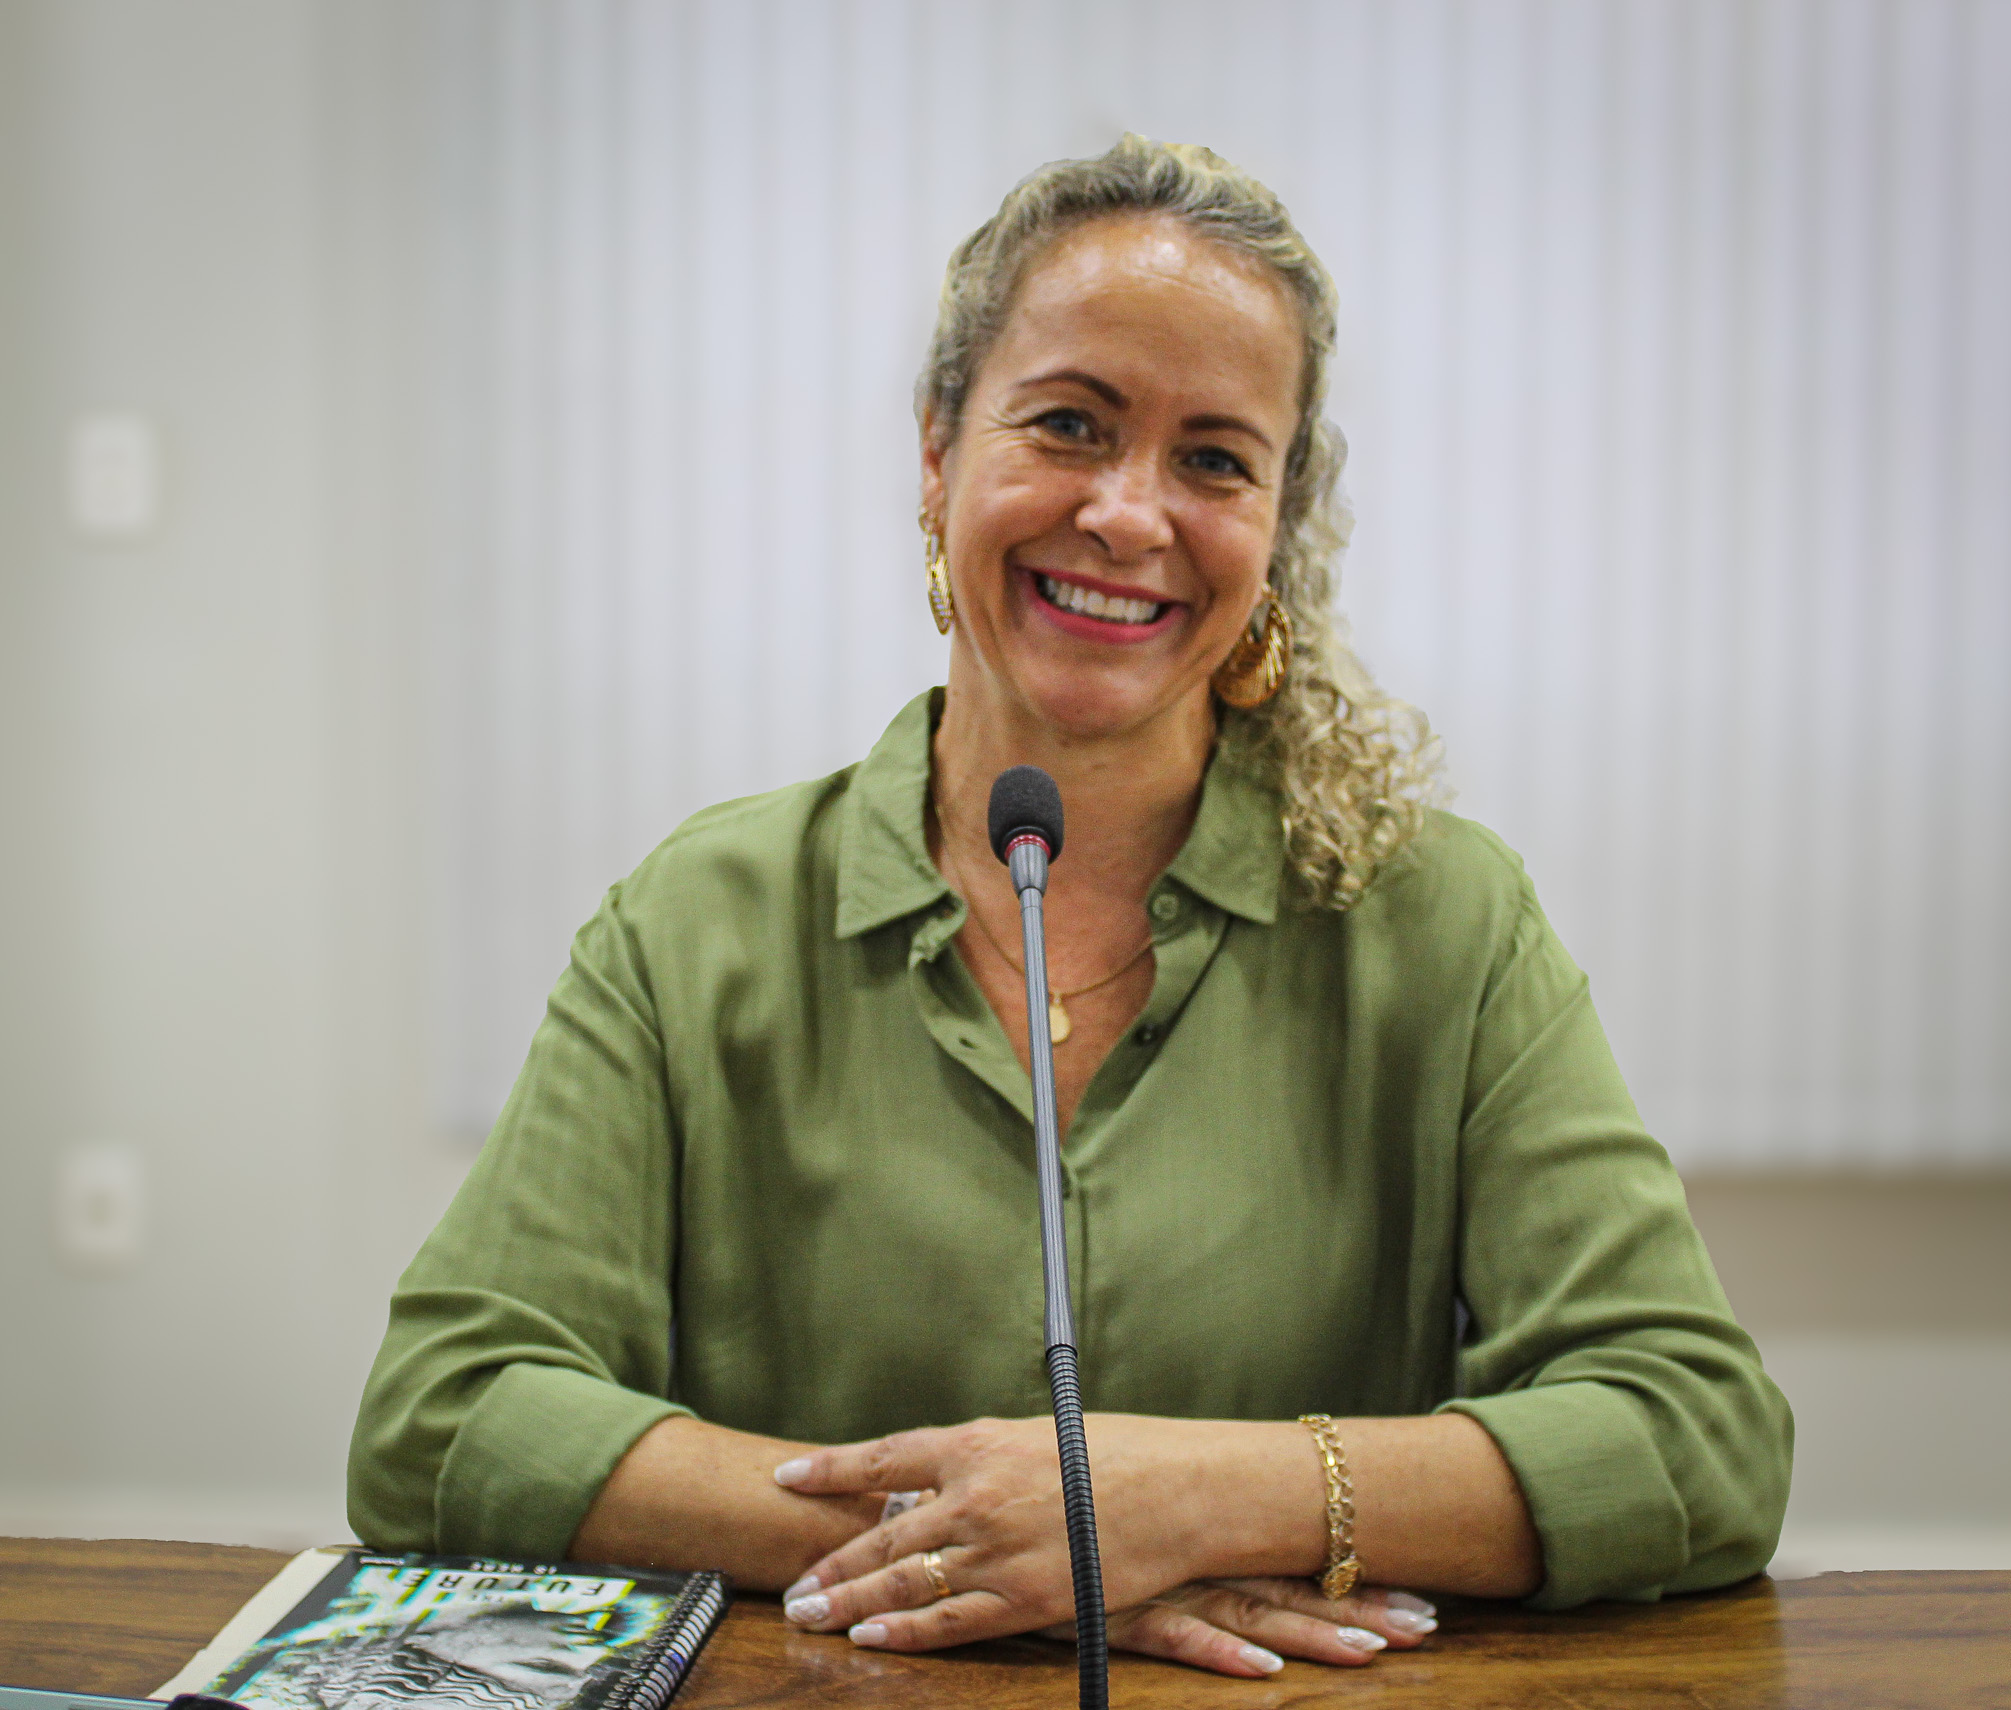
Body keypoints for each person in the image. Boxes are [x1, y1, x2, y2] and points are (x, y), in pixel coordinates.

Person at [348, 135, 1792, 1681]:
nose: (1126, 513)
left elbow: (1693, 1434)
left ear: (1278, 522)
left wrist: (1188, 1499)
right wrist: (977, 1542)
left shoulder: (1446, 921)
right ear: (935, 454)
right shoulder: (696, 920)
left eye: (1214, 460)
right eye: (1069, 424)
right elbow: (443, 1413)